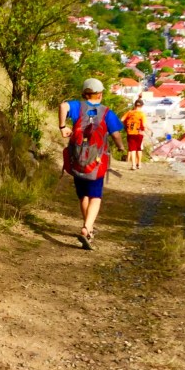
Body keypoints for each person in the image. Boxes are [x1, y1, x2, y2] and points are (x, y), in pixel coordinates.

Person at [59, 78, 125, 250]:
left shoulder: (77, 107)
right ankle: (87, 228)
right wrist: (121, 147)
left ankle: (87, 227)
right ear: (100, 94)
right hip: (96, 162)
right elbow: (116, 134)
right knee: (95, 196)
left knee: (83, 195)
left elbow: (63, 106)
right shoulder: (106, 112)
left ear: (84, 93)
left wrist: (62, 127)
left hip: (77, 160)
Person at [121, 98, 147, 170]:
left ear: (134, 105)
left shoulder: (129, 112)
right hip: (139, 133)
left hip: (130, 133)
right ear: (142, 106)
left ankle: (133, 165)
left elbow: (122, 119)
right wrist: (146, 130)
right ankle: (139, 164)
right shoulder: (142, 114)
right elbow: (144, 125)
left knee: (132, 149)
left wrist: (125, 126)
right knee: (139, 148)